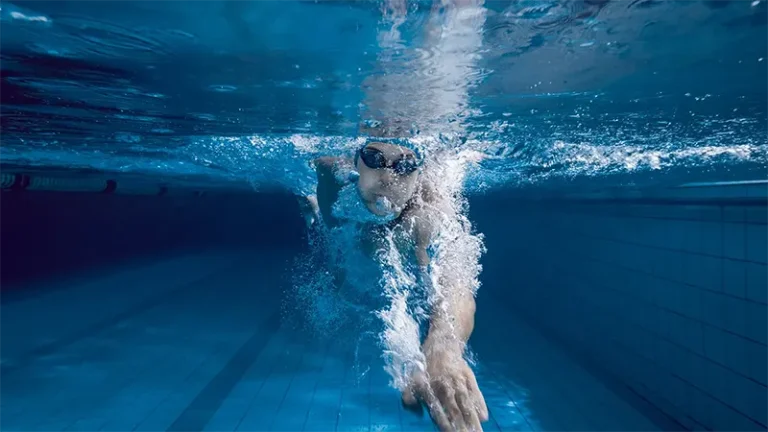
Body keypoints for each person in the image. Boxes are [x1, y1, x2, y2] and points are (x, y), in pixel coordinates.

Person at [300, 139, 489, 432]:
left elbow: (456, 285)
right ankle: (311, 206)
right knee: (339, 252)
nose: (388, 178)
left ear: (419, 170)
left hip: (410, 227)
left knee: (398, 238)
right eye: (374, 159)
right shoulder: (332, 173)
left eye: (404, 165)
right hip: (344, 208)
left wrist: (443, 347)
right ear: (356, 160)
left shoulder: (430, 206)